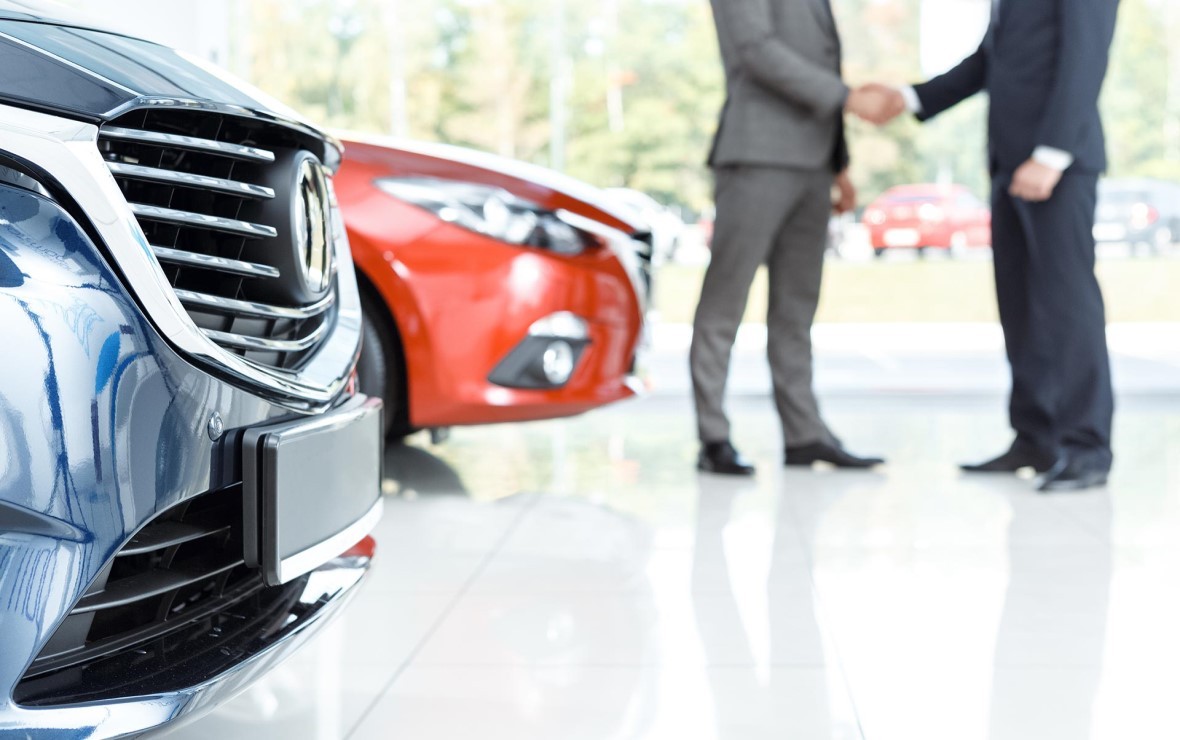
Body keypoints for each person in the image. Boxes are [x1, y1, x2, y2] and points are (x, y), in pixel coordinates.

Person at [878, 0, 1121, 491]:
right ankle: (1035, 437)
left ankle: (1086, 446)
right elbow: (992, 59)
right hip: (1010, 161)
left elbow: (1086, 54)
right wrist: (910, 97)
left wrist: (1052, 153)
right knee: (1020, 304)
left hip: (1056, 164)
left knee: (1067, 304)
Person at [693, 0, 899, 476]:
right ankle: (713, 437)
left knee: (797, 306)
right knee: (725, 300)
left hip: (815, 164)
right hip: (756, 156)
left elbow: (821, 61)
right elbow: (756, 50)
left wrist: (839, 165)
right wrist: (848, 98)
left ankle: (804, 435)